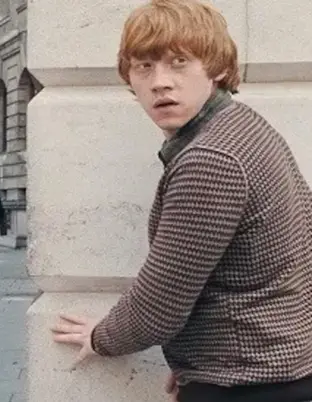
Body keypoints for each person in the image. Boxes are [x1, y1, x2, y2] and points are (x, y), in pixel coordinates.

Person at [50, 1, 312, 401]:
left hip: (247, 383)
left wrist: (101, 338)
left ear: (217, 68)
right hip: (273, 371)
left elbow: (159, 303)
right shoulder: (246, 127)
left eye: (179, 63)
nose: (160, 82)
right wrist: (196, 361)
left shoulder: (210, 159)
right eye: (144, 67)